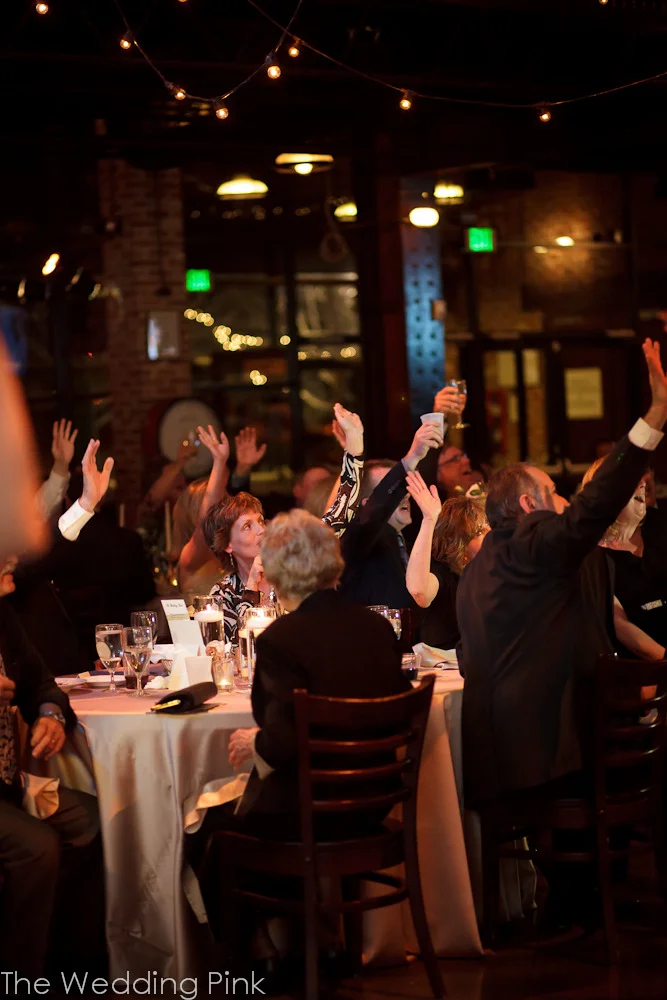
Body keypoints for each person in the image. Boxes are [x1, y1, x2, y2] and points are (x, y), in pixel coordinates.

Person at [457, 338, 667, 809]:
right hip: (544, 763)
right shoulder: (535, 545)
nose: (564, 499)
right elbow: (592, 508)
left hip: (492, 763)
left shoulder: (480, 565)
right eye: (553, 491)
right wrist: (654, 418)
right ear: (528, 505)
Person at [0, 593, 101, 977]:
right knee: (36, 847)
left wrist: (51, 715)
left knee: (91, 820)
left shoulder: (3, 615)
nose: (14, 564)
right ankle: (19, 979)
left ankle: (67, 964)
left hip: (9, 783)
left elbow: (42, 684)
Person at [338, 421, 444, 609]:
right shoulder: (357, 542)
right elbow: (374, 513)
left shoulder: (409, 543)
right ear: (366, 503)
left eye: (405, 487)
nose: (406, 495)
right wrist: (412, 457)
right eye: (395, 491)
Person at [581, 460, 667, 659]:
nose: (642, 485)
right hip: (641, 667)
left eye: (641, 480)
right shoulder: (592, 556)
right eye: (630, 480)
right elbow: (621, 626)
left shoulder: (660, 526)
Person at [405, 471, 489, 651]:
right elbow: (420, 592)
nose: (490, 535)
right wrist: (429, 519)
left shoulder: (488, 574)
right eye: (479, 532)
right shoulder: (443, 573)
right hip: (442, 665)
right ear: (458, 543)